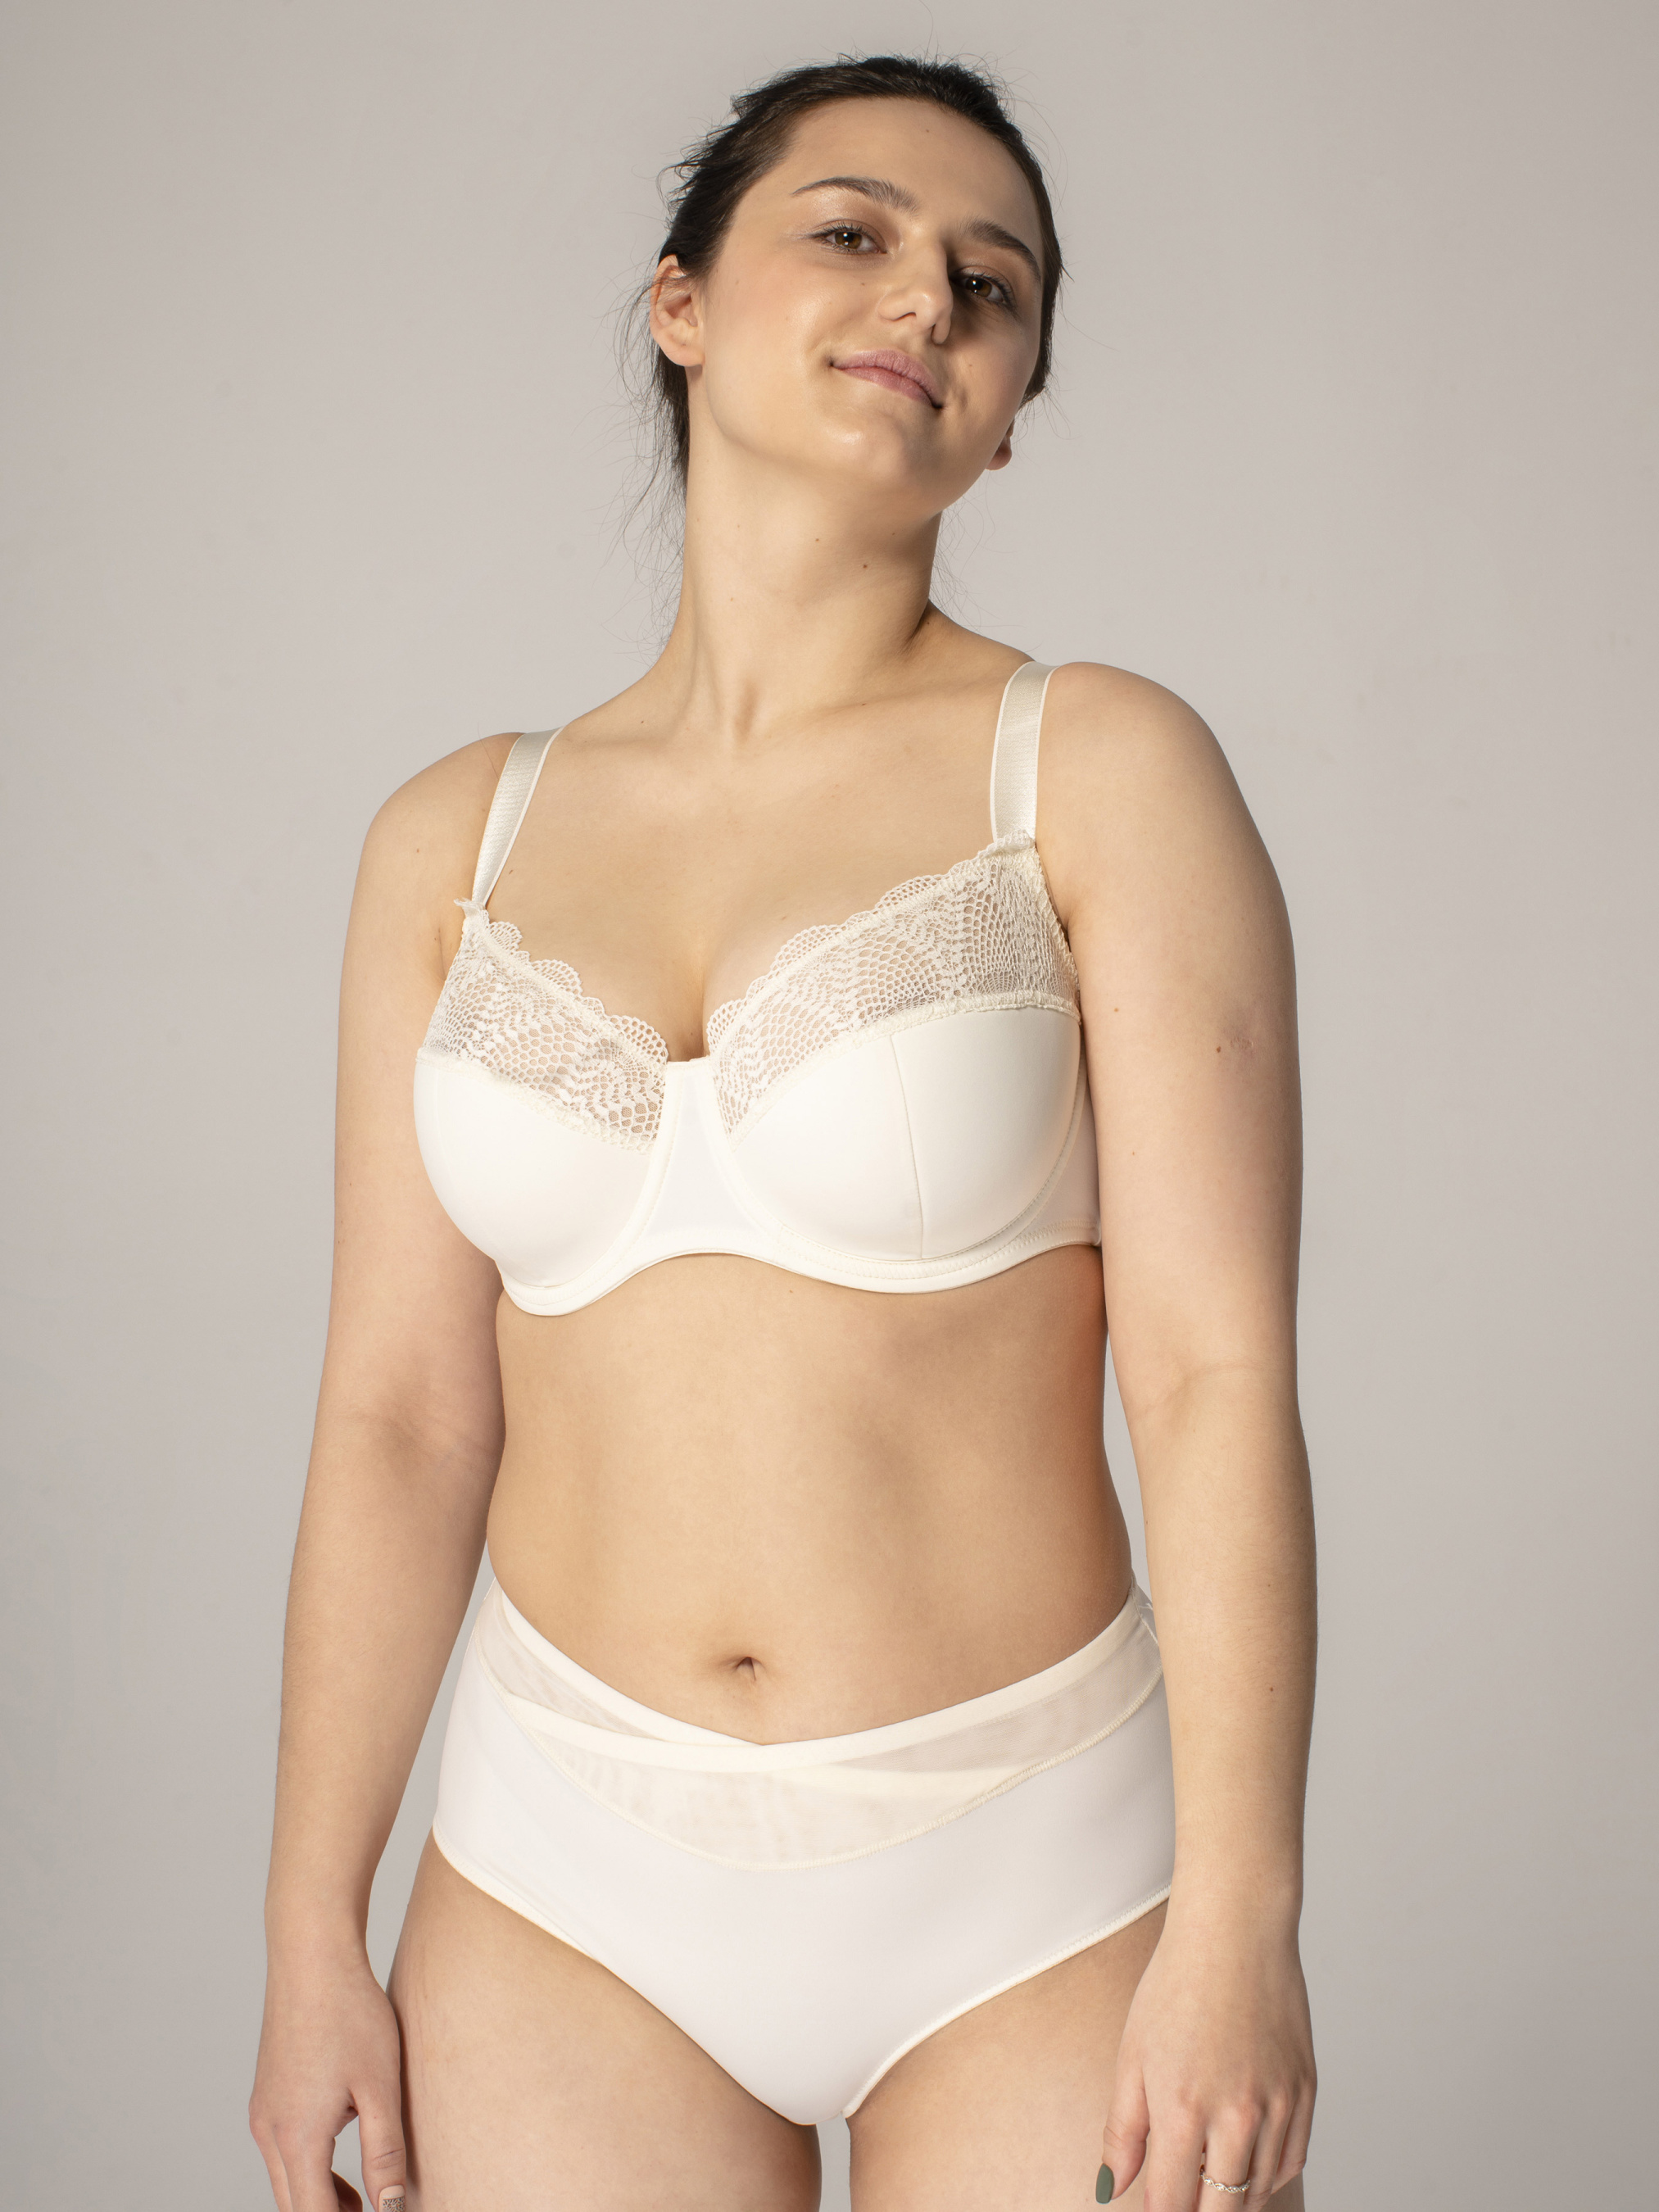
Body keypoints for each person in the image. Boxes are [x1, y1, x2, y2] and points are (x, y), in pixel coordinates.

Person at [250, 54, 1317, 2212]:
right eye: (852, 233)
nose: (928, 297)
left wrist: (1242, 1918)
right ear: (679, 304)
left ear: (1007, 415)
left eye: (992, 286)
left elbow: (1211, 1376)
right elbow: (397, 1416)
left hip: (1033, 1858)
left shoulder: (1099, 768)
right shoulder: (453, 839)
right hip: (559, 1872)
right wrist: (307, 1927)